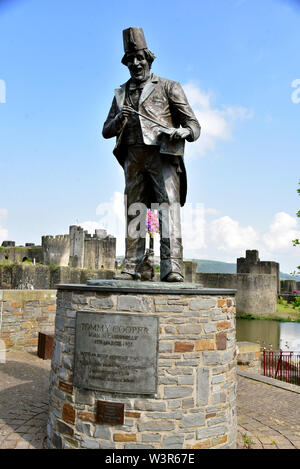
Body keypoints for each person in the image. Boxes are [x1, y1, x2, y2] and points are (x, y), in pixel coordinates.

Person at [102, 27, 201, 282]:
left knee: (167, 209)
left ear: (149, 59)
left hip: (162, 155)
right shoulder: (120, 93)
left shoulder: (169, 87)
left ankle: (172, 267)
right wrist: (118, 120)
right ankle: (132, 266)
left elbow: (194, 125)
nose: (136, 64)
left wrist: (183, 132)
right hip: (132, 157)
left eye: (140, 59)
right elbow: (105, 130)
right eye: (131, 60)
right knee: (135, 210)